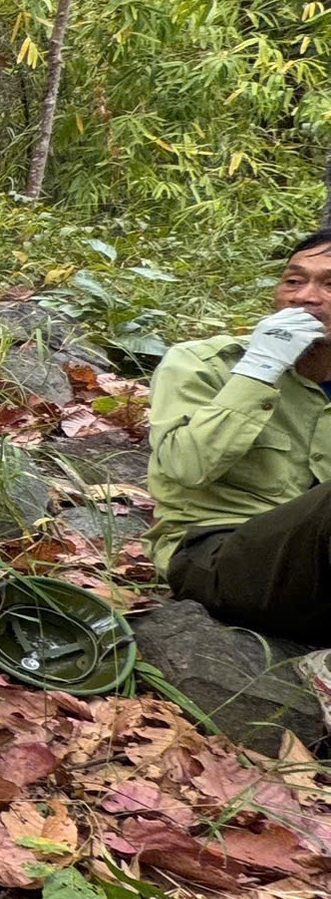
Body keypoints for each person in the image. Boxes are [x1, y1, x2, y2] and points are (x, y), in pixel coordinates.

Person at [149, 232, 331, 645]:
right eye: (293, 281)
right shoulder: (201, 363)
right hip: (215, 557)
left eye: (329, 285)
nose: (305, 297)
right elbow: (185, 467)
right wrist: (260, 368)